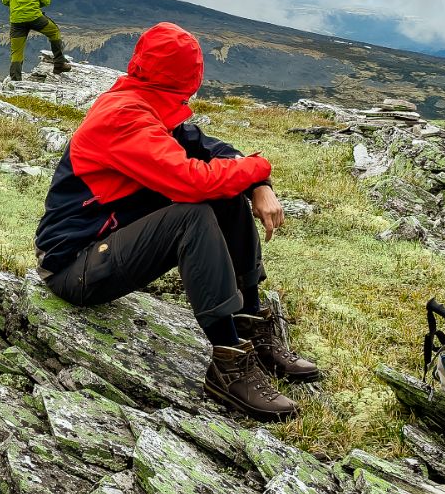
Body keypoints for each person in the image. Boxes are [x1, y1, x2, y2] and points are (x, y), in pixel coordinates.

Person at [35, 22, 322, 421]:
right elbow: (193, 182)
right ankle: (228, 364)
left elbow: (212, 150)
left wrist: (258, 182)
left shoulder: (149, 104)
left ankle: (252, 328)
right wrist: (261, 166)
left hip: (106, 249)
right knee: (193, 211)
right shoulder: (123, 117)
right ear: (189, 77)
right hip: (74, 269)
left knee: (224, 197)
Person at [1, 0, 70, 81]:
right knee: (54, 31)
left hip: (16, 20)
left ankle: (15, 80)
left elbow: (5, 0)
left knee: (16, 51)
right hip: (35, 18)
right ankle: (59, 64)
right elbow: (45, 1)